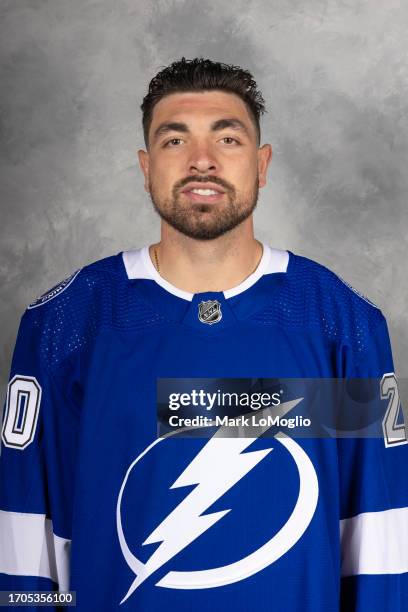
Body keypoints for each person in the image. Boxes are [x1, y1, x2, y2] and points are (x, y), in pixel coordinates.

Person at [0, 57, 406, 611]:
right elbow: (24, 544)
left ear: (262, 165)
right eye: (174, 141)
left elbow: (378, 540)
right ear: (145, 167)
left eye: (228, 139)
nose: (202, 161)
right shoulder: (68, 325)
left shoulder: (340, 323)